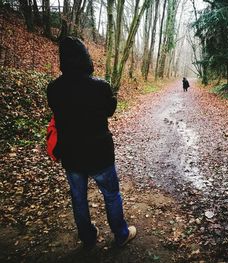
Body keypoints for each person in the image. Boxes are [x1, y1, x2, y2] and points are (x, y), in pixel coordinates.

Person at [47, 37, 136, 249]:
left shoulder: (54, 89)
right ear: (86, 57)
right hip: (100, 153)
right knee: (111, 194)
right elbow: (110, 110)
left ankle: (87, 237)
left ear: (63, 61)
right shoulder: (100, 86)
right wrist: (112, 96)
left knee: (79, 198)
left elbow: (58, 111)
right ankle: (121, 234)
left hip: (71, 153)